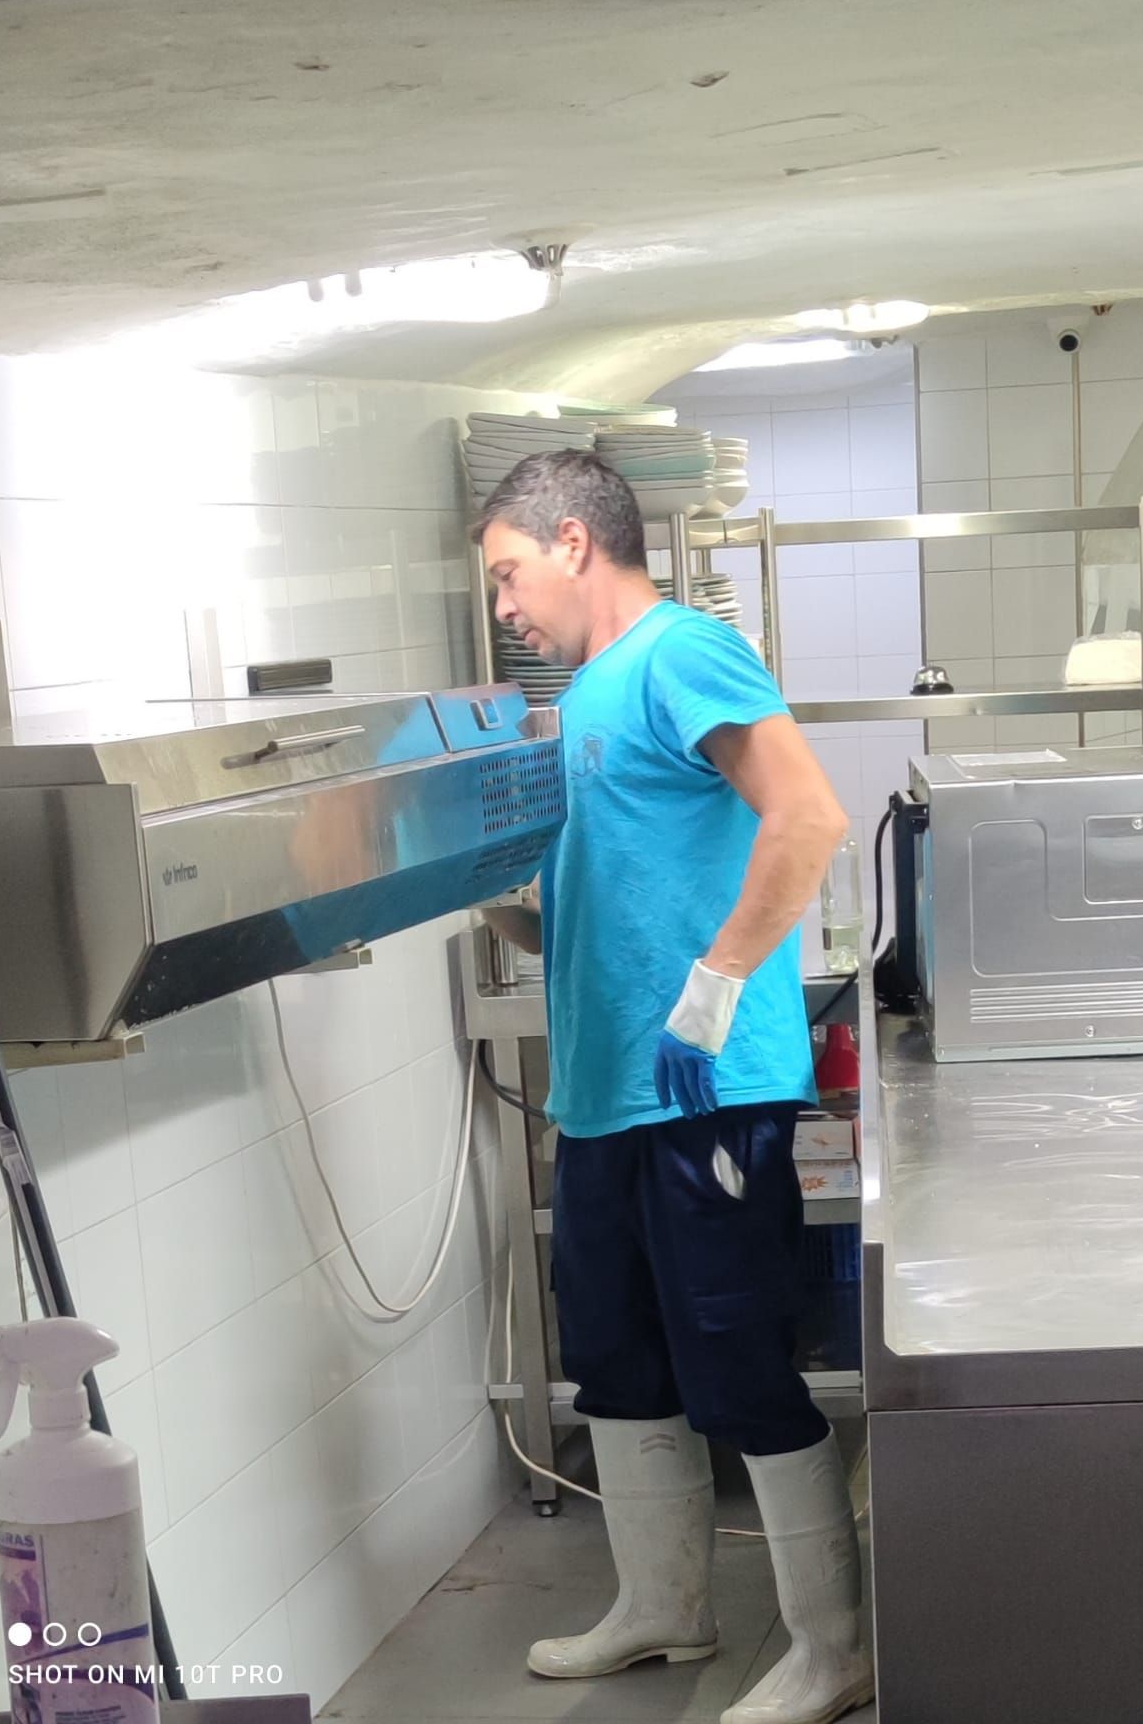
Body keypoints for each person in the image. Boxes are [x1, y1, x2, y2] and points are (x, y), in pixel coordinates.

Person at [474, 448, 872, 1724]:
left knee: (737, 1360)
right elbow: (635, 880)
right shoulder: (591, 692)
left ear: (575, 539)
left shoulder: (684, 651)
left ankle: (834, 1645)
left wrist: (713, 988)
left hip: (702, 1092)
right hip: (603, 1095)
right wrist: (522, 918)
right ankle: (665, 1605)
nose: (503, 605)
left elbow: (807, 816)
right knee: (617, 1359)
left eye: (508, 572)